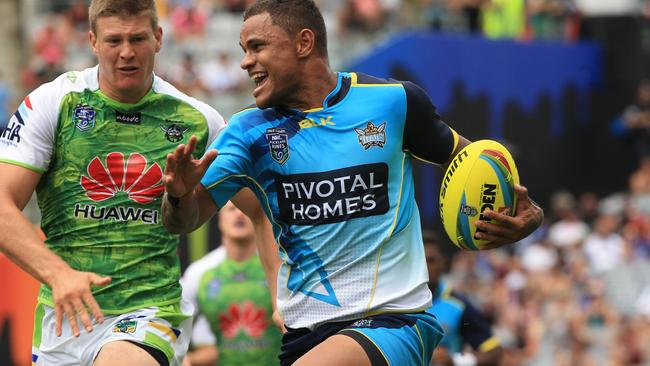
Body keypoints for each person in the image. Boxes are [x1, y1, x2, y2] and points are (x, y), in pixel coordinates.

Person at [160, 1, 544, 365]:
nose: (246, 62)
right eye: (243, 49)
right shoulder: (248, 131)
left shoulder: (393, 102)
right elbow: (184, 221)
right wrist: (177, 196)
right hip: (304, 334)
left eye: (257, 47)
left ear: (304, 42)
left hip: (394, 322)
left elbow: (475, 161)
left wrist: (527, 213)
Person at [0, 1, 227, 365]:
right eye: (114, 40)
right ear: (92, 41)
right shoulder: (54, 103)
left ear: (158, 38)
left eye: (137, 38)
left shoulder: (199, 121)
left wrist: (181, 197)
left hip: (148, 310)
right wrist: (58, 274)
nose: (126, 52)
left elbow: (252, 209)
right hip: (65, 316)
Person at [180, 200, 282, 366]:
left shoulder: (277, 265)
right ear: (218, 217)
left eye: (245, 208)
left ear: (258, 215)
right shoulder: (199, 273)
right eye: (232, 209)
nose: (239, 214)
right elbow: (173, 325)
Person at [423, 230, 503, 366]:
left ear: (444, 264)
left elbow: (494, 352)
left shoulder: (458, 305)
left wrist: (455, 360)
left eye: (431, 261)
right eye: (419, 260)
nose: (424, 266)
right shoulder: (394, 302)